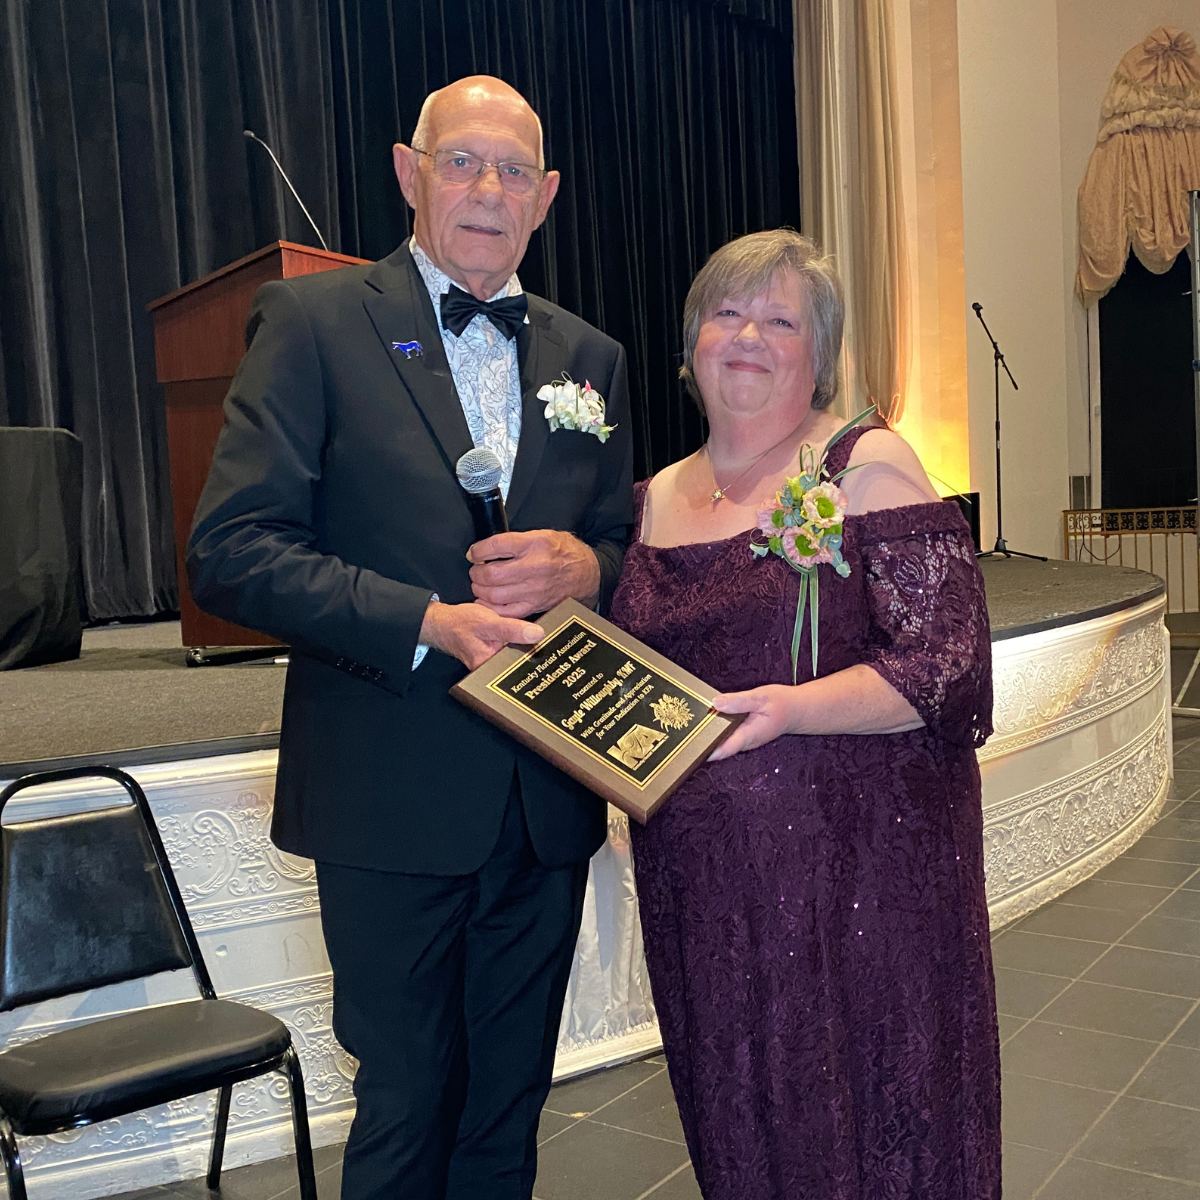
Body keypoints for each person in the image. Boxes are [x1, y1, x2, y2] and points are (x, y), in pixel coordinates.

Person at [187, 76, 633, 1200]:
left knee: (507, 1108)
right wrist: (426, 621)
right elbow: (231, 551)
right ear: (408, 171)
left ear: (548, 196)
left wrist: (587, 567)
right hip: (389, 795)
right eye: (461, 161)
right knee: (403, 1104)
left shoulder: (593, 358)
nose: (488, 190)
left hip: (544, 800)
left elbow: (628, 551)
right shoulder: (313, 324)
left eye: (514, 170)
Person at [608, 229, 1000, 1200]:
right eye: (727, 311)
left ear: (818, 354)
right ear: (691, 339)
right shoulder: (647, 499)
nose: (748, 333)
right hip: (702, 889)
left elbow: (949, 666)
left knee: (876, 1117)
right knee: (740, 1113)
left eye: (780, 319)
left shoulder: (863, 465)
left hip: (861, 885)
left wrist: (792, 709)